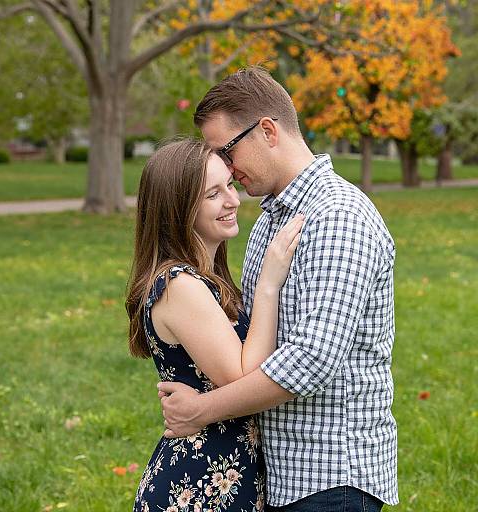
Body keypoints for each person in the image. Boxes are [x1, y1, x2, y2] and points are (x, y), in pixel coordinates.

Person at [158, 67, 399, 512]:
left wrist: (203, 410)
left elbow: (312, 360)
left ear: (267, 130)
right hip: (281, 473)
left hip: (331, 477)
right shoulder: (272, 218)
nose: (226, 169)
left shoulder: (338, 216)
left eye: (226, 152)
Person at [126, 138, 303, 511]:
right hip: (198, 486)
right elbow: (242, 376)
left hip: (222, 479)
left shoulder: (202, 280)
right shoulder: (179, 285)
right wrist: (269, 284)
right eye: (212, 194)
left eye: (230, 185)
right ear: (178, 207)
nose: (233, 200)